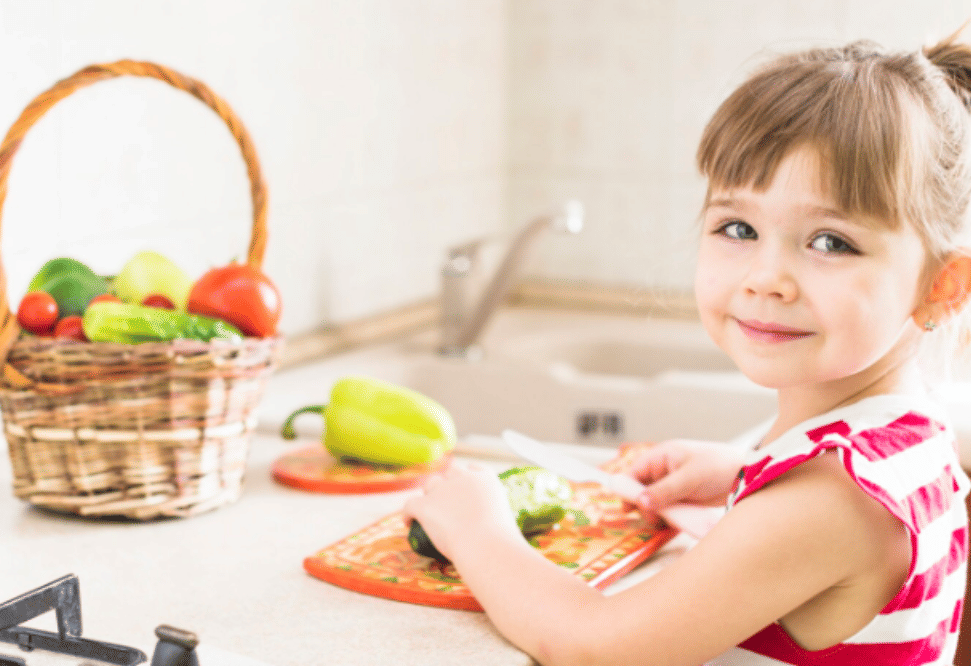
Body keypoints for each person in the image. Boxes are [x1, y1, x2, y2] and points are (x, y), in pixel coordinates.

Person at [403, 27, 971, 666]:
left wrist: (479, 531)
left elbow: (594, 645)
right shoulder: (908, 433)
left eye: (831, 242)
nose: (765, 278)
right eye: (738, 228)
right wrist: (742, 473)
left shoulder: (834, 503)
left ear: (942, 287)